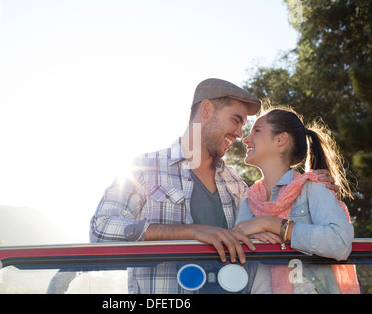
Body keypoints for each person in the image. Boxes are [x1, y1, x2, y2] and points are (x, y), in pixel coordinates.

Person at [89, 78, 337, 293]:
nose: (240, 134)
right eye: (236, 120)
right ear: (206, 109)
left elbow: (276, 221)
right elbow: (101, 229)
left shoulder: (237, 185)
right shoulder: (144, 168)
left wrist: (310, 186)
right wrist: (192, 232)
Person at [233, 105, 360, 294]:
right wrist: (249, 235)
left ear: (281, 139)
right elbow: (235, 249)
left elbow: (340, 243)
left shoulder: (313, 188)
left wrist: (273, 224)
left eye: (257, 131)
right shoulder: (247, 200)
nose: (245, 140)